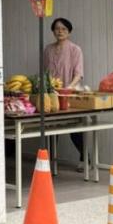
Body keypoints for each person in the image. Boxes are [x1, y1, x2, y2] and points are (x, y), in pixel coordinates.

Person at [44, 17, 86, 161]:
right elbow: (46, 72)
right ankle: (49, 161)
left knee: (75, 130)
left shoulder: (75, 49)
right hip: (52, 94)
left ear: (69, 32)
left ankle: (85, 159)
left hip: (69, 94)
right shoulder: (48, 49)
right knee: (51, 129)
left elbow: (79, 74)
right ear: (53, 31)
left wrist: (69, 88)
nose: (60, 31)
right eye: (57, 29)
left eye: (63, 29)